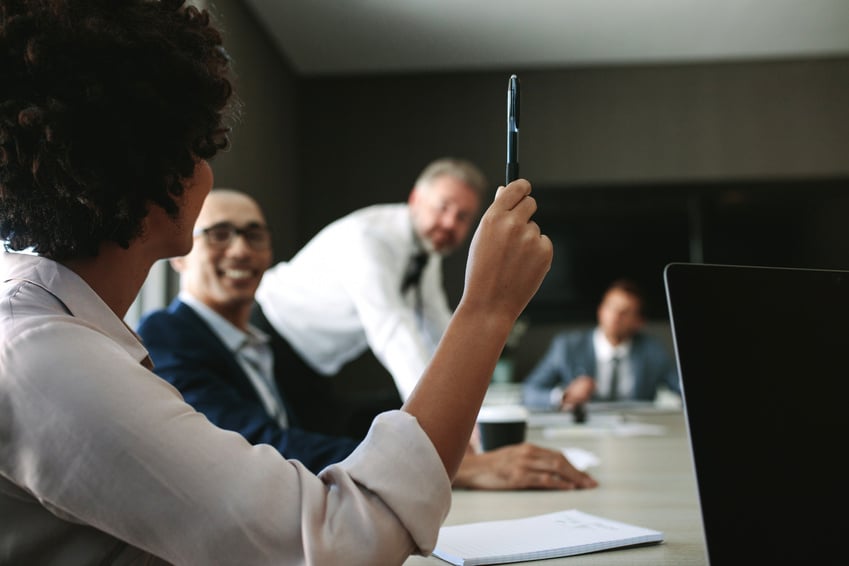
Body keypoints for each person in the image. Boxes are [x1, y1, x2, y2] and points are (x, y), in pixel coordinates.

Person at [0, 2, 583, 563]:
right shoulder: (46, 360)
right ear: (167, 172)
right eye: (201, 148)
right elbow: (345, 540)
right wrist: (487, 306)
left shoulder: (63, 336)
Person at [138, 188, 598, 490]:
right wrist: (452, 465)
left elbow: (430, 333)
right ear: (181, 252)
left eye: (253, 235)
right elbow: (264, 449)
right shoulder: (166, 337)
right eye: (219, 234)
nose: (240, 249)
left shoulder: (258, 345)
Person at [255, 157, 486, 403]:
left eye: (462, 217)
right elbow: (392, 329)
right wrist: (435, 411)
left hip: (315, 362)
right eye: (443, 206)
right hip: (268, 335)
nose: (450, 223)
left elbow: (436, 326)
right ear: (415, 199)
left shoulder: (425, 254)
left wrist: (471, 398)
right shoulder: (368, 238)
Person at [522, 279, 681, 411]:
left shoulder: (652, 352)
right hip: (583, 431)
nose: (616, 316)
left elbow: (682, 388)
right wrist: (564, 396)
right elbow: (528, 392)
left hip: (636, 435)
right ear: (600, 311)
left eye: (625, 312)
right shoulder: (568, 347)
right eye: (611, 307)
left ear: (639, 322)